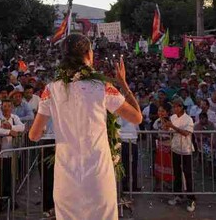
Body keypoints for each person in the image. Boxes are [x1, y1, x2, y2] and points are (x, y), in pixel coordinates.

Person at [28, 34, 142, 220]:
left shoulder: (50, 89)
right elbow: (137, 117)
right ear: (89, 54)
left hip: (66, 176)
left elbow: (33, 135)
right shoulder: (102, 86)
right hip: (98, 174)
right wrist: (123, 83)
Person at [165, 100, 197, 212]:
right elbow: (168, 129)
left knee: (188, 175)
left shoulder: (188, 119)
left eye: (176, 107)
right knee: (177, 174)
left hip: (186, 150)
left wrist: (172, 126)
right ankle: (178, 195)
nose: (174, 109)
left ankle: (191, 198)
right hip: (175, 149)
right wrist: (164, 121)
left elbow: (186, 133)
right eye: (173, 107)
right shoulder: (173, 117)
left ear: (181, 107)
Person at [0, 99, 25, 207]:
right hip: (0, 153)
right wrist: (9, 132)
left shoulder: (15, 118)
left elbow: (22, 127)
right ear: (1, 108)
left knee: (11, 178)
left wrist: (12, 127)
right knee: (0, 179)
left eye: (8, 106)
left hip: (12, 152)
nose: (6, 108)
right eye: (4, 106)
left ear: (12, 108)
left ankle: (11, 200)